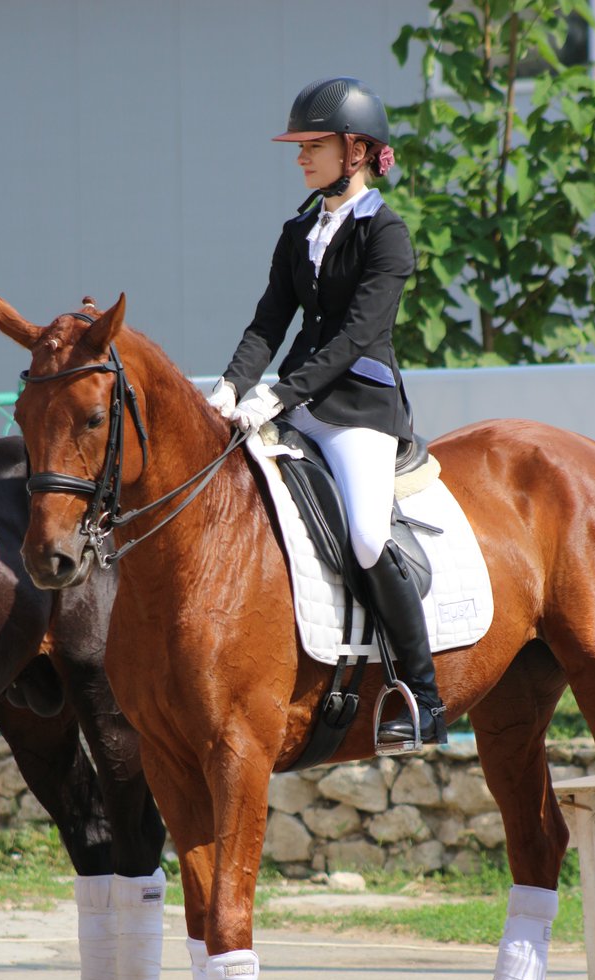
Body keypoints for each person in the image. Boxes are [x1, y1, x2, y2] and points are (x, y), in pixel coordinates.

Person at [209, 76, 447, 749]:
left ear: (357, 151)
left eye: (313, 145)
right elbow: (268, 324)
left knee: (368, 537)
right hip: (297, 404)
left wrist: (279, 395)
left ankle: (422, 699)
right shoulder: (297, 231)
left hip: (360, 411)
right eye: (300, 145)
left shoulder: (388, 234)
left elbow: (355, 337)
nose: (300, 157)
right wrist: (229, 389)